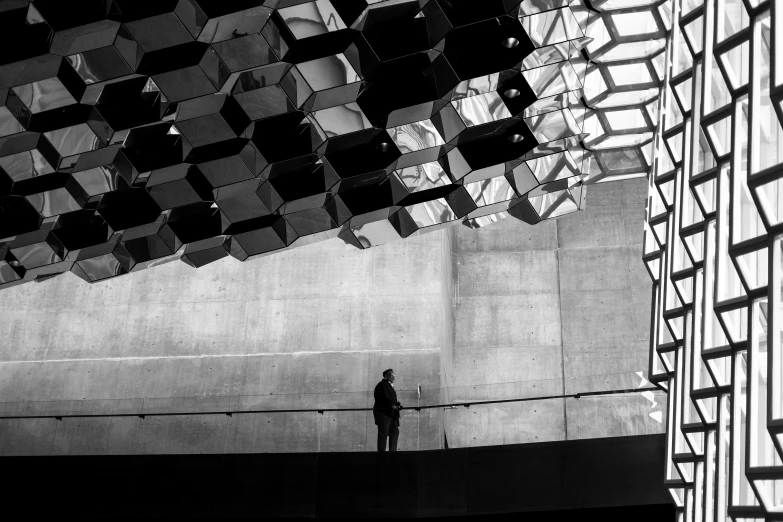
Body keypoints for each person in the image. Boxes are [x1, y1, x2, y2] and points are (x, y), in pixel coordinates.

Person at [373, 368, 402, 452]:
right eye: (391, 375)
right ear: (386, 376)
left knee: (394, 432)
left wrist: (397, 405)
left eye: (393, 375)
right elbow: (384, 398)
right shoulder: (382, 385)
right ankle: (382, 454)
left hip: (391, 414)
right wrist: (393, 406)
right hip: (384, 414)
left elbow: (390, 400)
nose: (393, 377)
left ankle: (392, 453)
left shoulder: (388, 386)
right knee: (383, 434)